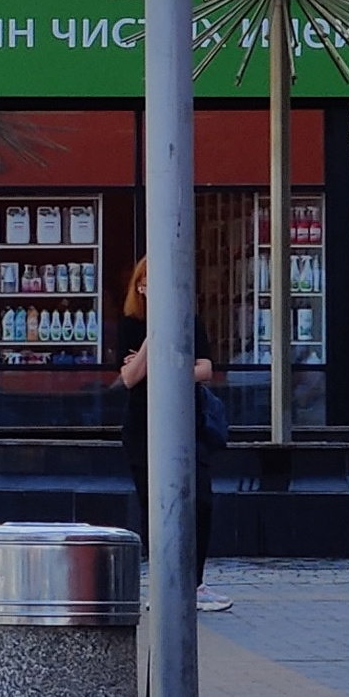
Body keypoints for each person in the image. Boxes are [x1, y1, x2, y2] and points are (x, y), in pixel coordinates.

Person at [117, 256, 228, 614]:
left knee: (201, 502)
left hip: (187, 424)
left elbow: (206, 369)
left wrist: (163, 369)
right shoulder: (131, 326)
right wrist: (154, 337)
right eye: (151, 282)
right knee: (155, 505)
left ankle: (195, 582)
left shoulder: (190, 322)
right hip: (143, 426)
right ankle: (163, 582)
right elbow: (131, 377)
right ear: (141, 287)